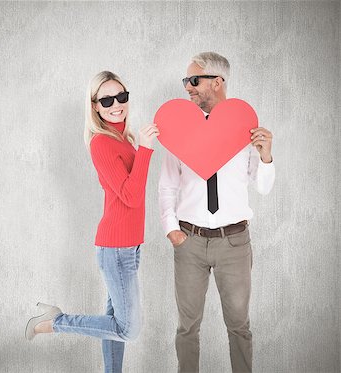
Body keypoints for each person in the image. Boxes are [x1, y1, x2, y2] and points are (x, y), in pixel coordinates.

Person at [25, 71, 159, 373]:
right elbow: (131, 195)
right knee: (129, 329)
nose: (116, 104)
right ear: (95, 106)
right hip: (116, 248)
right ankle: (55, 322)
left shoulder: (123, 139)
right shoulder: (101, 143)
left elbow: (130, 191)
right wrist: (146, 149)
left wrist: (138, 145)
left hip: (129, 245)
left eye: (121, 97)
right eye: (107, 99)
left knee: (114, 323)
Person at [159, 52, 275, 372]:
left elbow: (262, 186)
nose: (188, 88)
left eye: (193, 81)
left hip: (234, 242)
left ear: (217, 82)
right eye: (186, 81)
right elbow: (168, 184)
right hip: (190, 240)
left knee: (239, 325)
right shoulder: (179, 130)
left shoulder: (244, 127)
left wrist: (266, 156)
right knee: (187, 327)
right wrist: (172, 229)